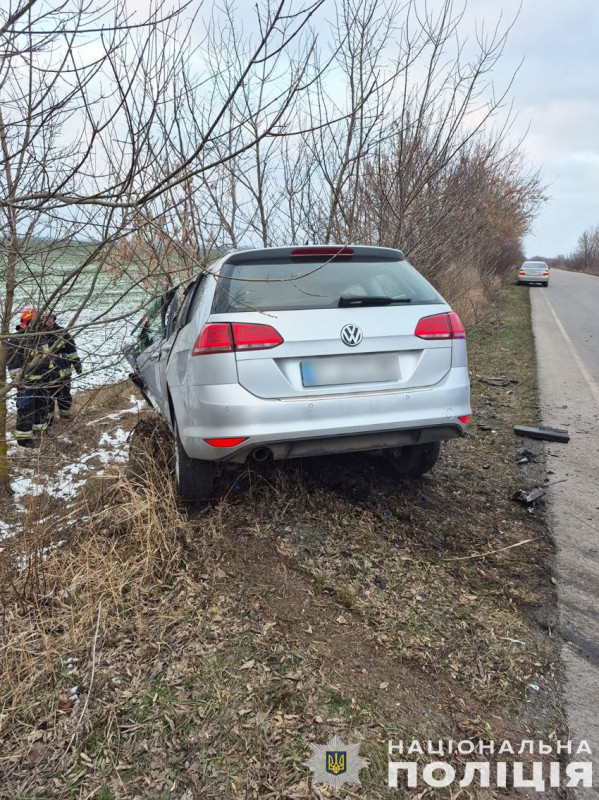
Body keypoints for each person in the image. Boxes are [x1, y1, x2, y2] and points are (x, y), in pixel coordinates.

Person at [6, 307, 54, 447]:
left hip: (42, 380)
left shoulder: (40, 337)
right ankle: (24, 440)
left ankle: (40, 432)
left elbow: (47, 357)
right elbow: (13, 364)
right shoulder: (16, 340)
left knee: (42, 406)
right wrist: (20, 381)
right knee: (26, 410)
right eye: (36, 322)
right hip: (26, 383)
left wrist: (49, 375)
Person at [41, 312, 82, 422]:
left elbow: (72, 351)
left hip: (63, 374)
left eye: (50, 318)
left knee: (65, 397)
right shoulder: (38, 335)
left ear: (54, 319)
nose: (48, 320)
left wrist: (77, 365)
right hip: (46, 375)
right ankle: (48, 423)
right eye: (45, 318)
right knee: (47, 399)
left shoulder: (63, 333)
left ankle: (65, 419)